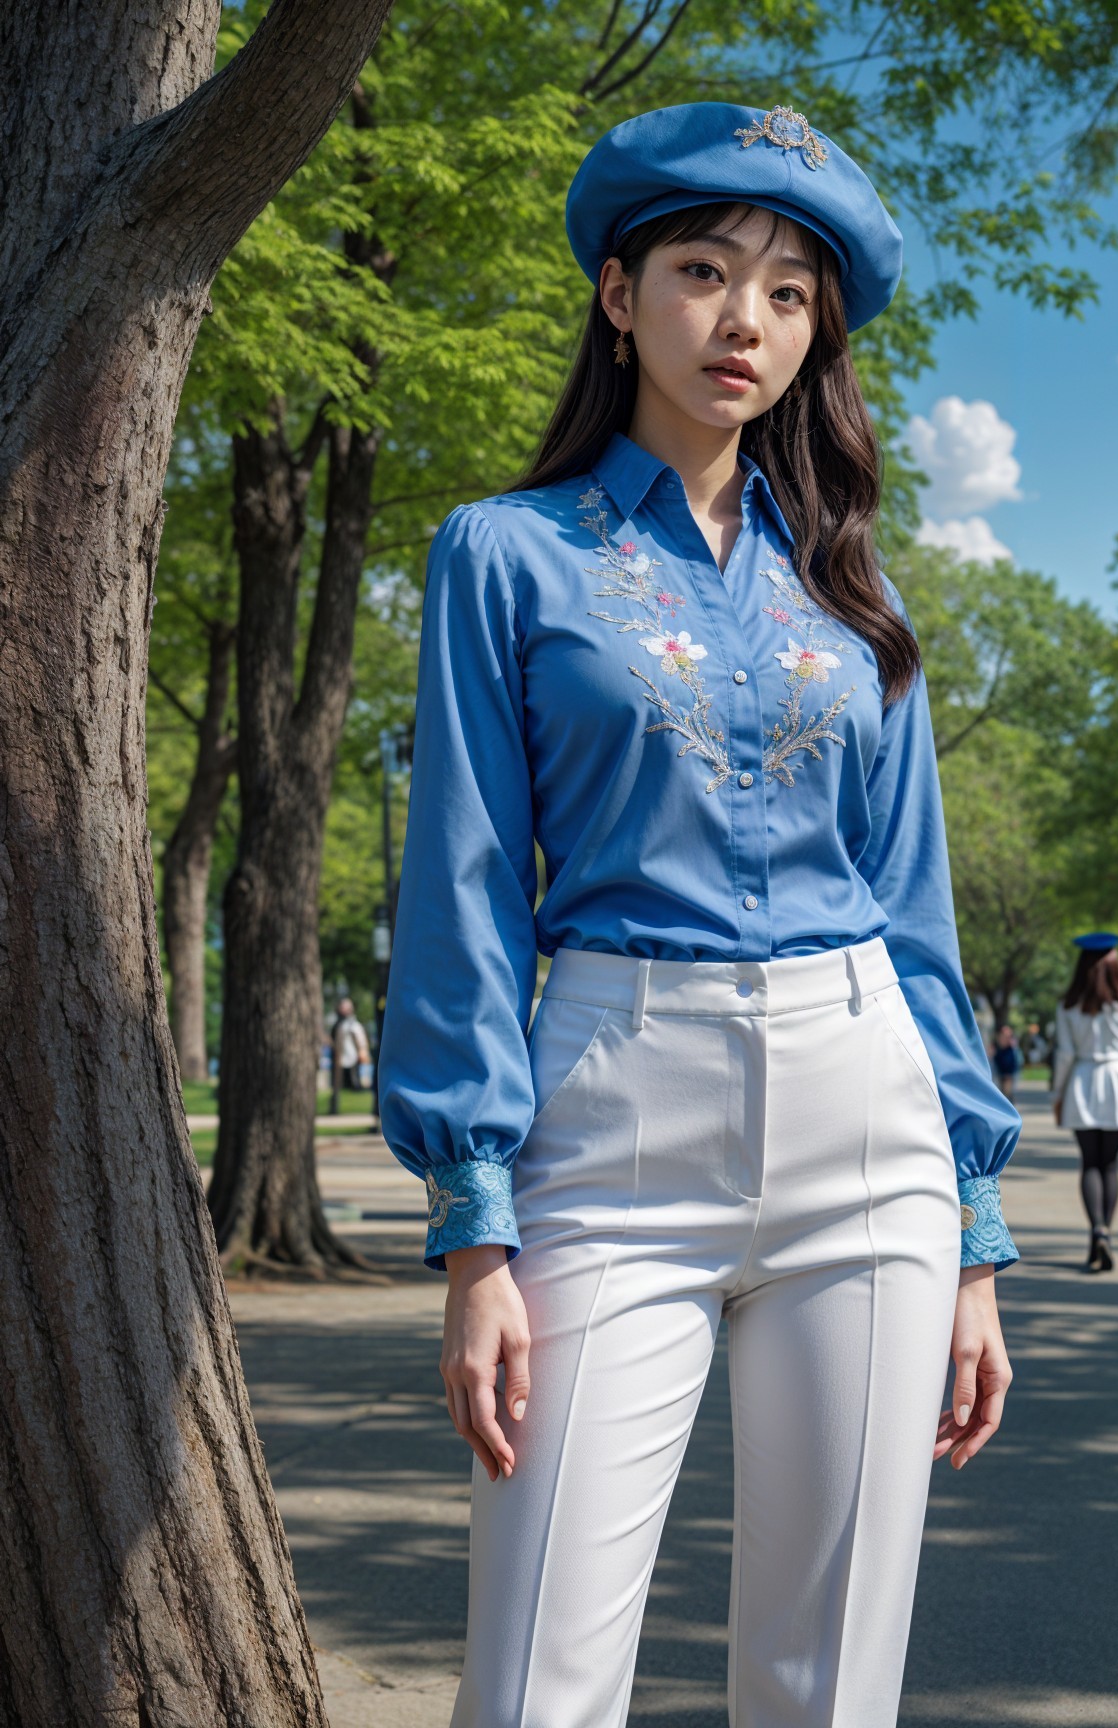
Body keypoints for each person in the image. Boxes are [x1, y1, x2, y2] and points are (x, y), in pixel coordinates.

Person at [378, 99, 1021, 1728]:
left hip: (868, 1127)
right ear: (617, 293)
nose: (745, 319)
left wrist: (977, 1233)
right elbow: (462, 885)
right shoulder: (504, 556)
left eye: (791, 291)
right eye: (702, 269)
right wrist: (473, 1221)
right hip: (612, 1107)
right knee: (536, 1679)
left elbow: (915, 919)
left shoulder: (856, 592)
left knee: (827, 1684)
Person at [1051, 933, 1118, 1273]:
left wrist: (1057, 1094)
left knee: (1089, 1163)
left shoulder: (1068, 1007)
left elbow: (1065, 1054)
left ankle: (1095, 1228)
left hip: (1083, 1081)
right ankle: (1106, 1232)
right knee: (1110, 1165)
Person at [330, 996, 370, 1091]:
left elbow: (360, 1039)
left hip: (352, 1055)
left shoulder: (353, 1024)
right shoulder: (339, 1024)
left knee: (353, 1075)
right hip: (341, 1055)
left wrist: (362, 1051)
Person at [992, 1024, 1024, 1097]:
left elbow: (1017, 1062)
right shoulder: (995, 1048)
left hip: (1009, 1074)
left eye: (1008, 1036)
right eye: (1003, 1036)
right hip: (998, 1074)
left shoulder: (1013, 1049)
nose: (1005, 1038)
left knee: (1008, 1095)